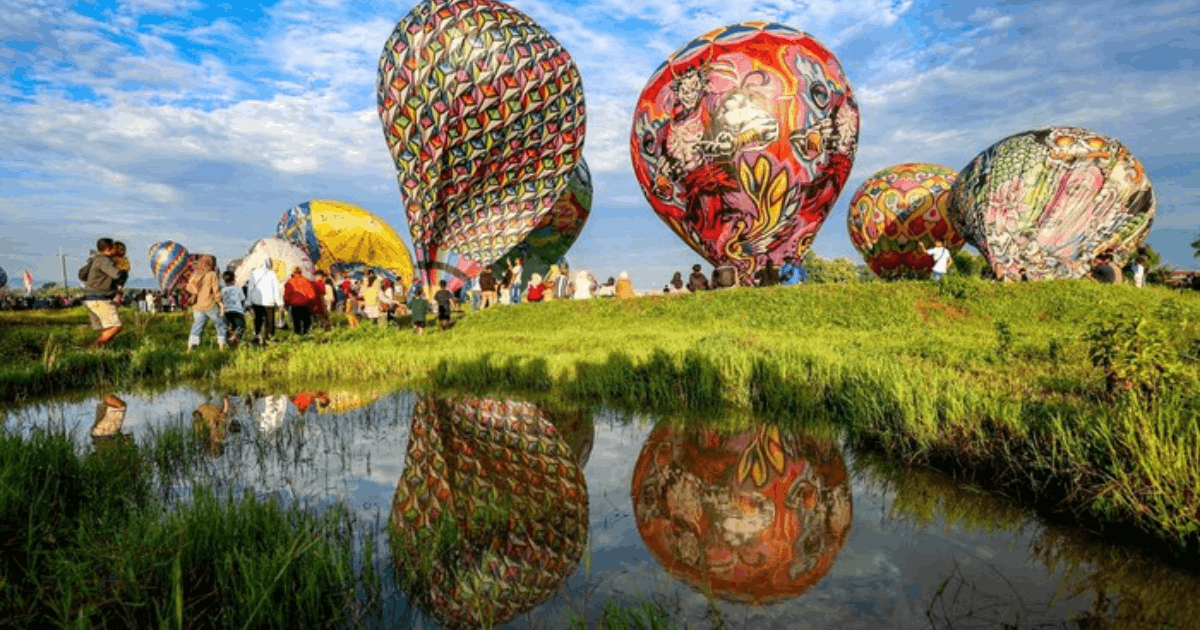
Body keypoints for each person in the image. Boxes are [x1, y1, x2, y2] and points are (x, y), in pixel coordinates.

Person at [81, 237, 127, 349]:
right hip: (100, 298)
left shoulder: (95, 259)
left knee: (105, 328)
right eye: (114, 247)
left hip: (91, 299)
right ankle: (93, 347)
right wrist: (123, 268)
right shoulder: (103, 260)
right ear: (108, 249)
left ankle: (98, 351)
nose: (116, 250)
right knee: (116, 326)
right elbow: (117, 275)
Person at [184, 255, 227, 352]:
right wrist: (221, 304)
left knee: (196, 327)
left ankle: (190, 349)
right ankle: (222, 348)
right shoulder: (212, 274)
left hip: (198, 306)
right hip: (210, 305)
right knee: (220, 325)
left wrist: (196, 293)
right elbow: (216, 291)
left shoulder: (195, 274)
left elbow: (188, 287)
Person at [247, 258, 283, 345]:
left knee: (258, 320)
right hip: (269, 302)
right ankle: (268, 339)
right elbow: (276, 290)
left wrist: (249, 301)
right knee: (270, 321)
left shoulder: (253, 274)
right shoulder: (272, 274)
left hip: (256, 301)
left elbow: (250, 288)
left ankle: (256, 337)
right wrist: (279, 302)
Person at [283, 266, 315, 335]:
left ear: (293, 273)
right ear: (300, 272)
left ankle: (298, 337)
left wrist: (286, 304)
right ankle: (306, 337)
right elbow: (312, 295)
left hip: (295, 306)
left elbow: (287, 296)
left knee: (296, 324)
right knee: (306, 325)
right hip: (305, 305)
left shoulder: (290, 282)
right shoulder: (306, 281)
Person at [221, 271, 246, 347]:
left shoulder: (223, 290)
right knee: (240, 326)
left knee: (227, 328)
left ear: (224, 280)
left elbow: (220, 300)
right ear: (234, 279)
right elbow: (242, 299)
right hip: (238, 311)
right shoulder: (238, 289)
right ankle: (235, 337)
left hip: (227, 311)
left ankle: (228, 341)